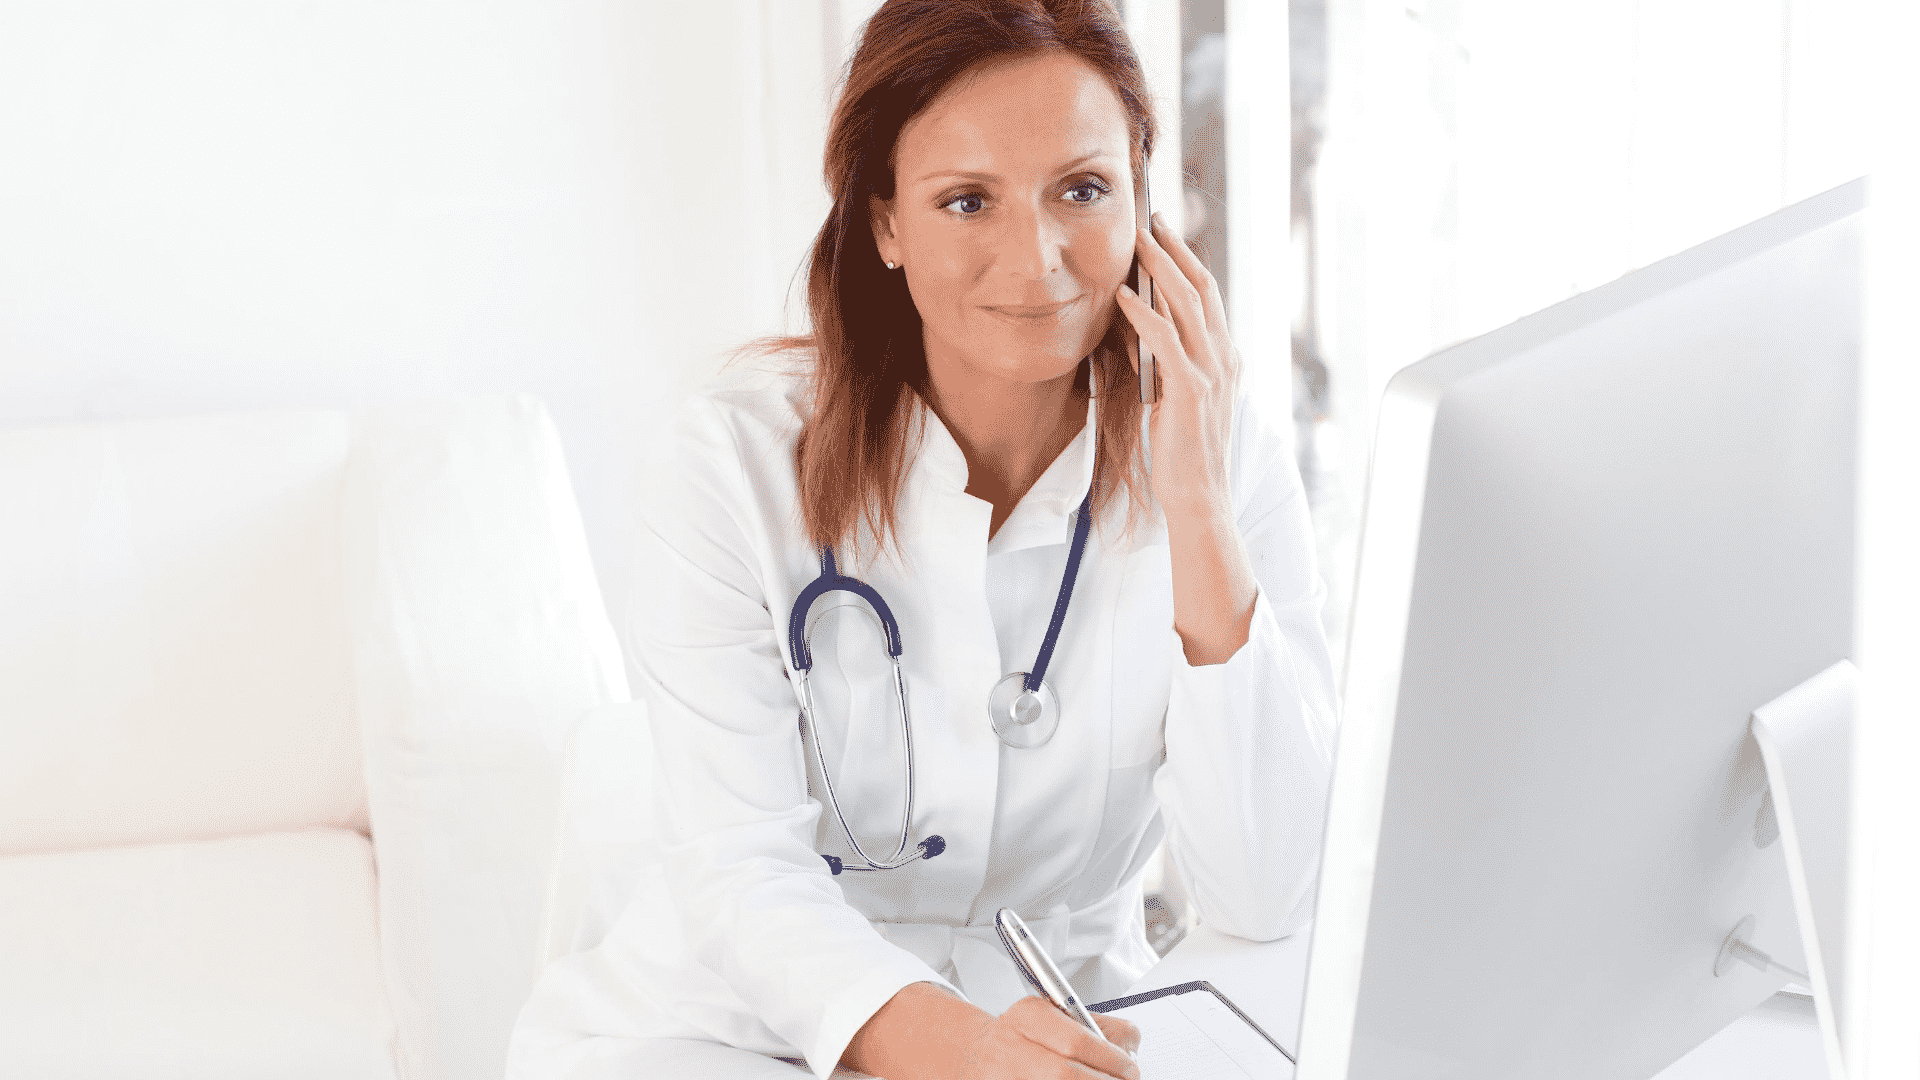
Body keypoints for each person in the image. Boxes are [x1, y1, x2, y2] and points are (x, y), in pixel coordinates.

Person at [506, 1, 1337, 1077]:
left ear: (1145, 205)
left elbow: (1270, 889)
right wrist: (966, 1055)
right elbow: (745, 878)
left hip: (1067, 1036)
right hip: (732, 1035)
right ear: (886, 222)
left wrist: (1196, 508)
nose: (1036, 258)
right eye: (967, 201)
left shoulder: (1216, 454)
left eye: (1082, 191)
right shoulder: (731, 465)